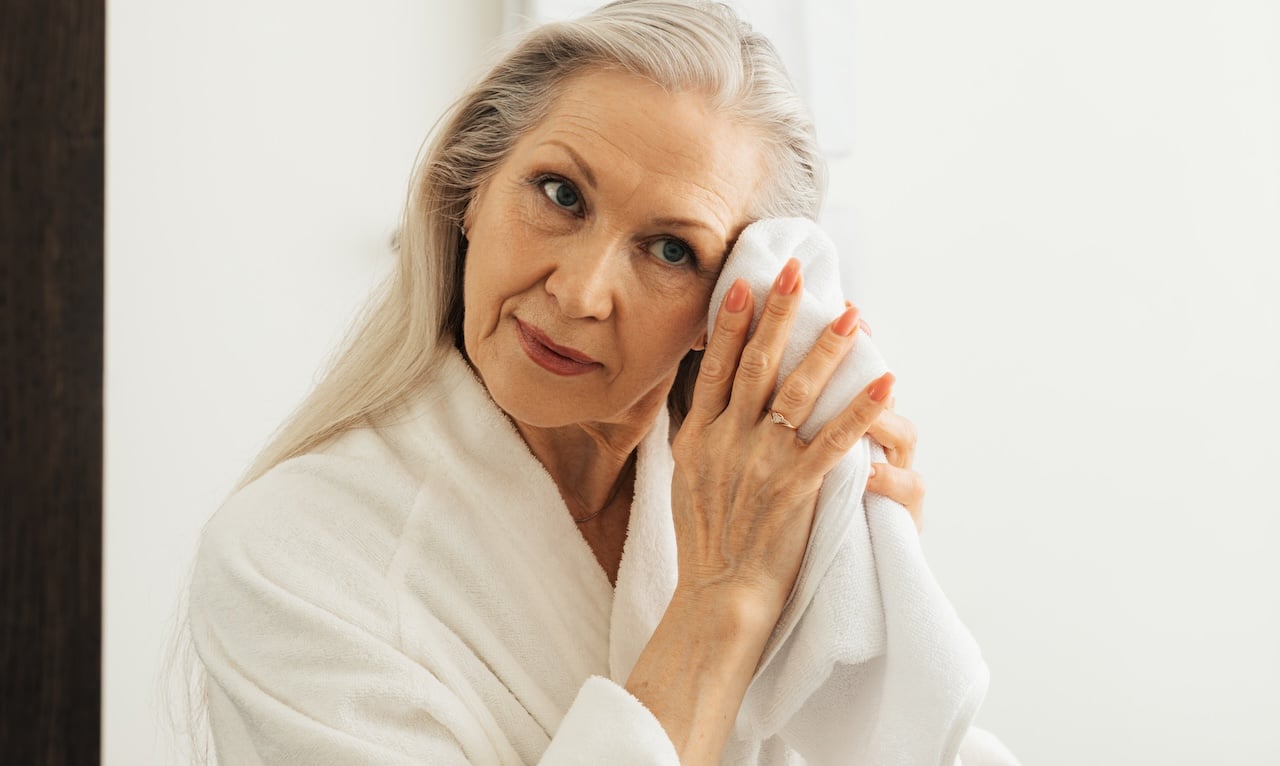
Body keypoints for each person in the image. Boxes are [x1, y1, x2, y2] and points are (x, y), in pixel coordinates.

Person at [176, 2, 961, 764]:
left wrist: (852, 572)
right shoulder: (289, 556)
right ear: (470, 192)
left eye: (671, 250)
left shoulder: (762, 499)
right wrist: (728, 595)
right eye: (561, 195)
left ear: (732, 305)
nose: (580, 292)